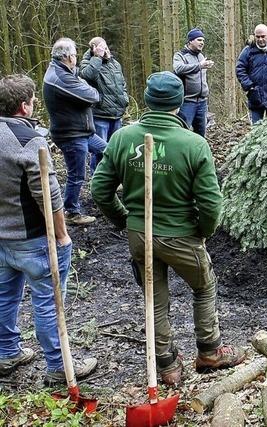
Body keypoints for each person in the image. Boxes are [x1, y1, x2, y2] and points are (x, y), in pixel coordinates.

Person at [91, 72, 246, 386]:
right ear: (179, 104)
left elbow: (99, 190)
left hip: (140, 234)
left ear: (148, 101)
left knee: (154, 297)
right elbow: (211, 204)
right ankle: (209, 351)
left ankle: (166, 364)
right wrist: (203, 231)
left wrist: (124, 220)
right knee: (203, 286)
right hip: (181, 235)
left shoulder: (122, 137)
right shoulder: (193, 144)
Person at [0, 74, 97, 385]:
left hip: (2, 238)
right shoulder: (30, 140)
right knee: (48, 300)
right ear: (25, 106)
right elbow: (48, 193)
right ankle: (58, 365)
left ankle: (6, 352)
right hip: (32, 239)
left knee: (4, 297)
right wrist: (61, 233)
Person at [43, 37, 107, 225]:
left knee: (109, 152)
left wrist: (94, 55)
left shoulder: (62, 70)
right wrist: (87, 86)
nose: (77, 58)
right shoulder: (61, 77)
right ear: (69, 57)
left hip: (82, 131)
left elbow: (82, 75)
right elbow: (93, 96)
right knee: (77, 174)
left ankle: (102, 188)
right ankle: (71, 211)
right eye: (75, 55)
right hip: (71, 135)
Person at [79, 37, 128, 170]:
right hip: (100, 115)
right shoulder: (87, 63)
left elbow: (122, 83)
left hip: (117, 114)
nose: (105, 50)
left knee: (116, 150)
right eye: (101, 47)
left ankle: (112, 180)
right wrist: (97, 57)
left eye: (105, 47)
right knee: (100, 151)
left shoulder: (115, 63)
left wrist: (125, 99)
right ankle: (97, 181)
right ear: (93, 49)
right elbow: (87, 76)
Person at [173, 28, 213, 137]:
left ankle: (199, 154)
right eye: (199, 40)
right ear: (190, 41)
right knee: (183, 133)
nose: (202, 43)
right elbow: (179, 69)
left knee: (201, 134)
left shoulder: (200, 56)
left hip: (202, 102)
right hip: (187, 102)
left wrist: (204, 65)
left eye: (203, 41)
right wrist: (199, 66)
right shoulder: (180, 55)